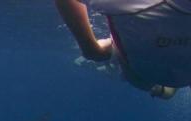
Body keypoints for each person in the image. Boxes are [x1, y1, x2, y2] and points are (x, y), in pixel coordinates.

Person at [55, 0, 191, 99]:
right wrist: (91, 49)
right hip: (144, 72)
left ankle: (111, 49)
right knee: (155, 87)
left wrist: (91, 49)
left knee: (150, 85)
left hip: (140, 70)